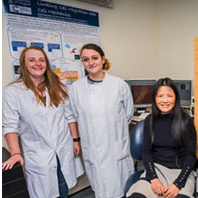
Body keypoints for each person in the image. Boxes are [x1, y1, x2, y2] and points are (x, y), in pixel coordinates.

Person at [2, 46, 84, 198]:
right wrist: (15, 153)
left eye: (41, 60)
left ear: (46, 63)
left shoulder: (58, 88)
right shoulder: (13, 92)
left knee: (63, 190)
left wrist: (76, 140)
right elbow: (10, 126)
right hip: (39, 155)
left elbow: (69, 117)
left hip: (63, 150)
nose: (37, 63)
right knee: (45, 194)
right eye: (32, 60)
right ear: (24, 64)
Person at [68, 43, 134, 198]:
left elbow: (128, 114)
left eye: (95, 58)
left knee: (121, 188)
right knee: (100, 189)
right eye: (85, 59)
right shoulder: (76, 89)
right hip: (92, 148)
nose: (91, 63)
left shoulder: (119, 85)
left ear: (103, 59)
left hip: (115, 147)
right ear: (82, 63)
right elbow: (74, 116)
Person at [127, 78, 197, 198]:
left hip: (180, 172)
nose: (164, 100)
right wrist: (153, 178)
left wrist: (178, 184)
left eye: (169, 96)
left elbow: (190, 156)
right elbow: (146, 152)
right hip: (156, 169)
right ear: (155, 98)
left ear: (176, 98)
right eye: (160, 96)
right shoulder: (149, 121)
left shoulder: (186, 121)